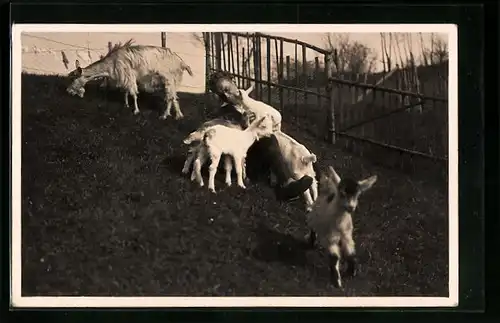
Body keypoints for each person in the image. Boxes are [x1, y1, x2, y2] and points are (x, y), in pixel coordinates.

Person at [207, 72, 314, 201]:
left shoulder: (252, 102)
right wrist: (244, 126)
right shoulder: (224, 113)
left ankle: (307, 181)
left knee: (290, 147)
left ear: (234, 82)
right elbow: (230, 141)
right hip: (249, 158)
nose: (227, 96)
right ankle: (286, 184)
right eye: (222, 95)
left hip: (270, 150)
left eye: (227, 90)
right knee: (267, 139)